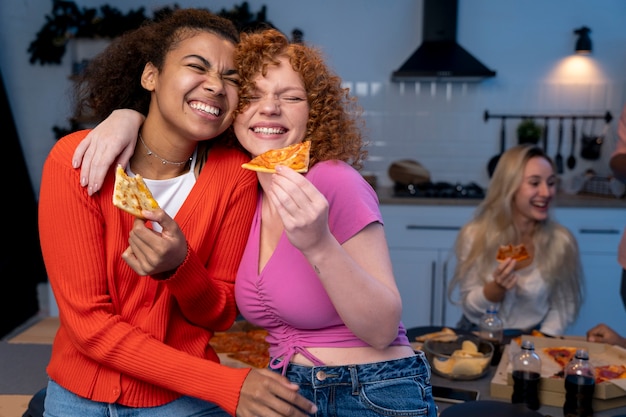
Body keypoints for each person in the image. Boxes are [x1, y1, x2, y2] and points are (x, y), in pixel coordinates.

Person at [73, 28, 439, 417]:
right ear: (230, 112)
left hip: (370, 390)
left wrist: (319, 245)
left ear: (315, 110)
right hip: (288, 390)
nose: (269, 108)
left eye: (291, 97)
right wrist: (126, 116)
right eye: (251, 97)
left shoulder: (333, 180)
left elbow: (383, 330)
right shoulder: (245, 188)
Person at [38, 10, 315, 417]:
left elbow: (220, 313)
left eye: (232, 78)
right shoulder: (76, 162)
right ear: (150, 76)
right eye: (196, 66)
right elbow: (89, 325)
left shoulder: (234, 178)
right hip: (78, 399)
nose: (216, 86)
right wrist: (225, 384)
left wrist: (179, 268)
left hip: (182, 404)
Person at [449, 144, 584, 336]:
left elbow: (564, 306)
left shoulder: (561, 241)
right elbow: (470, 308)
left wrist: (542, 342)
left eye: (551, 182)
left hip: (533, 337)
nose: (546, 193)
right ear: (509, 186)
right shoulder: (475, 235)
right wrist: (496, 288)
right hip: (477, 335)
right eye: (535, 183)